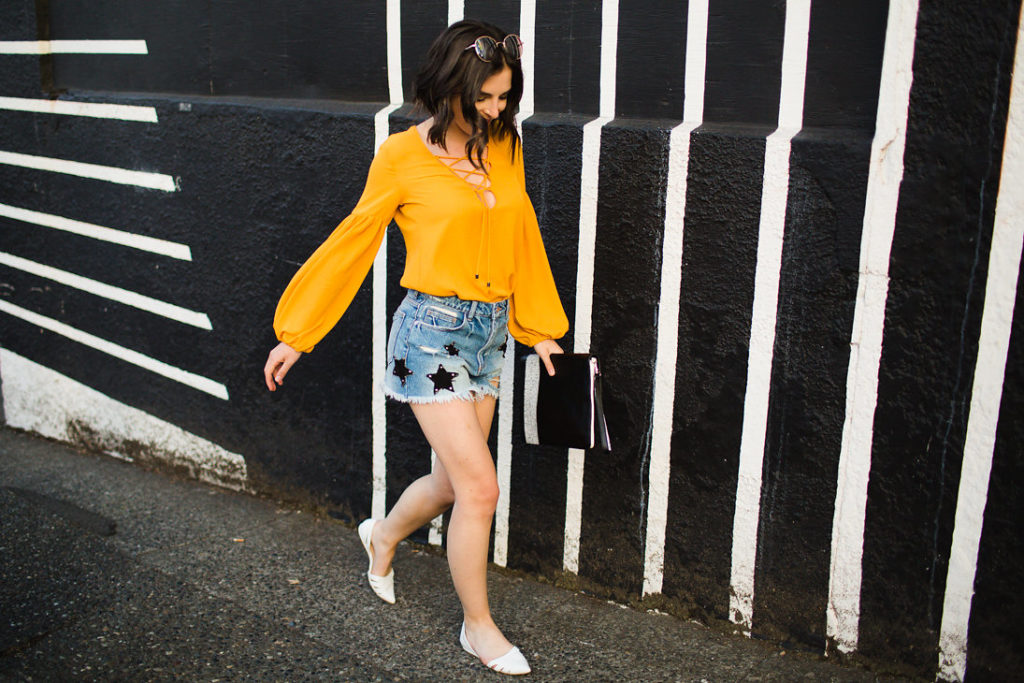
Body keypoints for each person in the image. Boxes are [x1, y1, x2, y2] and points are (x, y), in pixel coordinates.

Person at [263, 20, 568, 676]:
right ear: (447, 89)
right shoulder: (401, 155)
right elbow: (355, 239)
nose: (495, 110)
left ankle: (383, 534)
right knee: (480, 486)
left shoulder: (505, 145)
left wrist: (538, 327)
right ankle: (478, 628)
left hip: (487, 332)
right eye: (483, 98)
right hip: (430, 335)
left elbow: (524, 237)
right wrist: (299, 332)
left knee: (449, 483)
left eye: (504, 97)